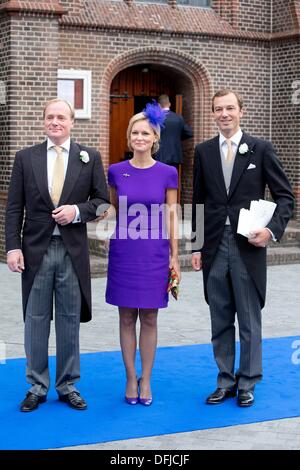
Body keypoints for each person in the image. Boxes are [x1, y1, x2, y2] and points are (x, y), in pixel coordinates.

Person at [192, 89, 294, 407]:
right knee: (219, 316)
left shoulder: (260, 149)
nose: (224, 114)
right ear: (213, 113)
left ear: (241, 111)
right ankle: (225, 380)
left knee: (249, 318)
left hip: (247, 245)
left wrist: (271, 231)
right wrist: (195, 246)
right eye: (218, 109)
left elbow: (285, 196)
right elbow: (197, 201)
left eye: (230, 108)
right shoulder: (203, 151)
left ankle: (248, 380)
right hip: (212, 246)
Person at [5, 99, 109, 412]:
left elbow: (103, 203)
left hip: (72, 251)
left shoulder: (89, 157)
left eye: (61, 117)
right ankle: (36, 386)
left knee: (68, 320)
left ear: (72, 121)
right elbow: (14, 208)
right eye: (50, 117)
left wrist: (78, 211)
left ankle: (68, 385)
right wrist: (12, 246)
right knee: (35, 320)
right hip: (35, 251)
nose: (55, 122)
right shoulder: (25, 158)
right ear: (43, 122)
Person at [105, 102, 180, 406]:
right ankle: (129, 376)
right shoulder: (115, 171)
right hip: (124, 250)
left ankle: (146, 379)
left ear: (154, 138)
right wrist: (101, 213)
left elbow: (172, 214)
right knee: (125, 318)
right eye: (134, 132)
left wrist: (175, 256)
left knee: (149, 317)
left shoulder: (167, 173)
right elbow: (112, 206)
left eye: (145, 133)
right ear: (129, 137)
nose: (139, 137)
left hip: (154, 252)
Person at [154, 94, 193, 168]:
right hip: (175, 155)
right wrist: (177, 137)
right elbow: (189, 133)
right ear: (169, 104)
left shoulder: (156, 118)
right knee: (173, 178)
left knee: (160, 178)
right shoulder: (178, 118)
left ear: (159, 105)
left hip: (160, 155)